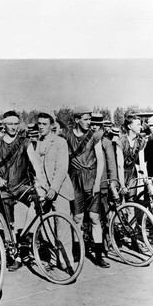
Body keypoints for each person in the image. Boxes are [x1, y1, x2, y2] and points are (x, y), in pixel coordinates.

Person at [0, 110, 39, 271]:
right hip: (5, 187)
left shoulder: (25, 142)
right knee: (8, 223)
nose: (13, 127)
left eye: (16, 124)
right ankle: (15, 255)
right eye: (10, 124)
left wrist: (41, 182)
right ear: (3, 125)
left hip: (22, 185)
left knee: (39, 201)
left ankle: (24, 236)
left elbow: (35, 162)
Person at [64, 107, 108, 268]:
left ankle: (98, 254)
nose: (90, 122)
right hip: (75, 179)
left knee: (95, 218)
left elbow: (100, 160)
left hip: (91, 177)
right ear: (77, 120)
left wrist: (97, 183)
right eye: (86, 119)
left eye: (90, 119)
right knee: (77, 218)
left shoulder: (94, 135)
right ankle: (77, 252)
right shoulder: (66, 136)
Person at [33, 111, 76, 271]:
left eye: (44, 124)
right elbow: (36, 169)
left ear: (52, 126)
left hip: (60, 191)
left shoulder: (60, 142)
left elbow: (62, 167)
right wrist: (40, 189)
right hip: (44, 192)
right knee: (47, 227)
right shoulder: (37, 143)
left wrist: (54, 188)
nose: (41, 127)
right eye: (39, 124)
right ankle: (53, 259)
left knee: (63, 227)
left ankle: (67, 262)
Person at [90, 113, 118, 221]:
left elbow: (111, 164)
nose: (93, 127)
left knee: (105, 211)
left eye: (96, 125)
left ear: (101, 126)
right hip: (90, 182)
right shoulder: (88, 141)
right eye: (92, 124)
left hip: (103, 183)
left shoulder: (106, 143)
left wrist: (113, 182)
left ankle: (108, 235)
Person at [117, 114, 146, 201]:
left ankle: (131, 214)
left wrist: (145, 178)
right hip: (120, 174)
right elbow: (119, 165)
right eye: (138, 124)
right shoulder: (121, 141)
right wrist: (122, 184)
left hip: (132, 174)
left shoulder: (141, 141)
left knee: (131, 201)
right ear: (129, 126)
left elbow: (142, 162)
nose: (141, 127)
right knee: (118, 202)